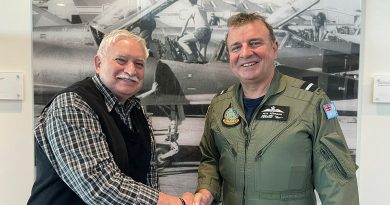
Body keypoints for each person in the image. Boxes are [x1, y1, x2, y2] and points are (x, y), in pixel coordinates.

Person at [193, 13, 359, 205]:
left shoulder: (310, 102)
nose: (245, 53)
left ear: (274, 48)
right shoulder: (220, 105)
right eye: (236, 47)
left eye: (255, 43)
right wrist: (206, 189)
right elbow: (210, 160)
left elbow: (337, 184)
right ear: (230, 55)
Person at [27, 29, 193, 205]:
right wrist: (176, 203)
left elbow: (149, 177)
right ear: (98, 63)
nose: (131, 70)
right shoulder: (72, 105)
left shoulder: (137, 110)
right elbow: (99, 187)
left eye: (139, 64)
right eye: (121, 60)